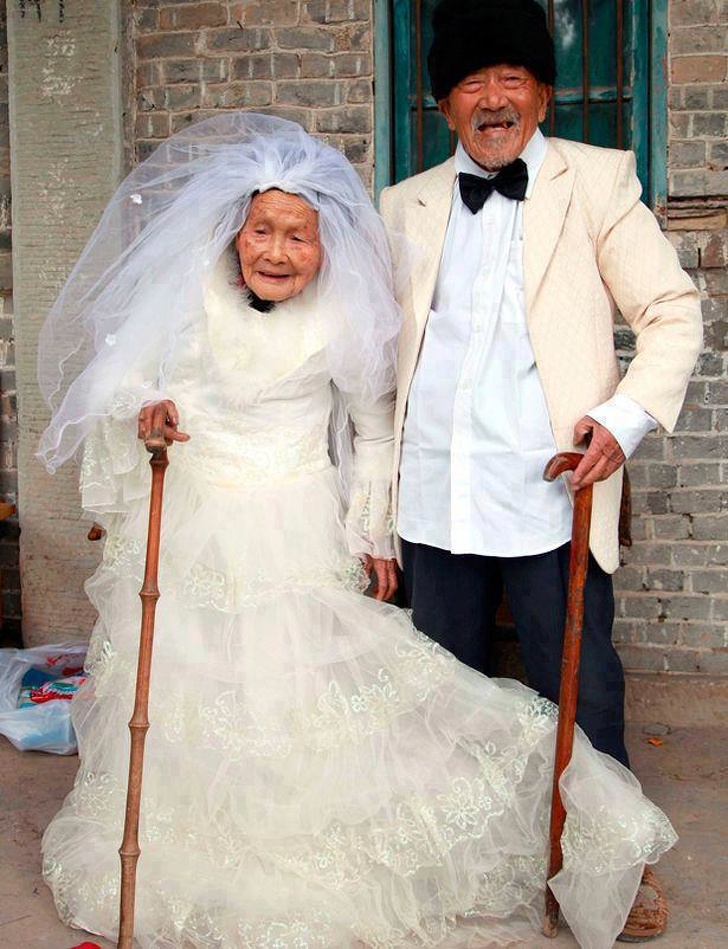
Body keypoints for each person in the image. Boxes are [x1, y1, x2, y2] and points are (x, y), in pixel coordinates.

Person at [39, 112, 675, 949]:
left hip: (298, 524)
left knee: (304, 697)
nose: (277, 251)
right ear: (234, 236)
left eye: (297, 236)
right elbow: (124, 383)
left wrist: (372, 535)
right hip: (196, 526)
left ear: (325, 243)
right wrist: (147, 416)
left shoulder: (345, 318)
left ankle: (583, 842)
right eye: (261, 231)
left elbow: (375, 431)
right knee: (197, 696)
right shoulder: (188, 302)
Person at [378, 0, 703, 942]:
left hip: (552, 485)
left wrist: (621, 420)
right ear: (445, 107)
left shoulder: (596, 181)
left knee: (583, 685)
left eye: (511, 79)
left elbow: (673, 312)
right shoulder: (404, 205)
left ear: (543, 93)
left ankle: (608, 864)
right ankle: (471, 853)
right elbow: (370, 359)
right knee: (446, 685)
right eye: (471, 83)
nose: (492, 98)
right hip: (436, 491)